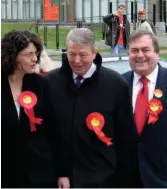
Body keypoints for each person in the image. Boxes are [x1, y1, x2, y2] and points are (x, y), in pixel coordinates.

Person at [45, 28, 137, 188]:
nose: (77, 60)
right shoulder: (51, 83)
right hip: (63, 181)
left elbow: (126, 139)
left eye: (83, 55)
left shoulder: (116, 85)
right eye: (72, 54)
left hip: (105, 179)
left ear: (94, 53)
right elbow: (48, 134)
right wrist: (61, 172)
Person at [1, 30, 57, 188]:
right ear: (12, 55)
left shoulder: (41, 85)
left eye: (36, 53)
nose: (34, 59)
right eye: (28, 54)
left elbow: (54, 130)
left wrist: (62, 172)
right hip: (6, 172)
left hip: (39, 173)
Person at [123, 30, 167, 187]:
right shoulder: (119, 84)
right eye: (134, 50)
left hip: (161, 179)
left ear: (157, 52)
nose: (139, 55)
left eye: (145, 49)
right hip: (126, 179)